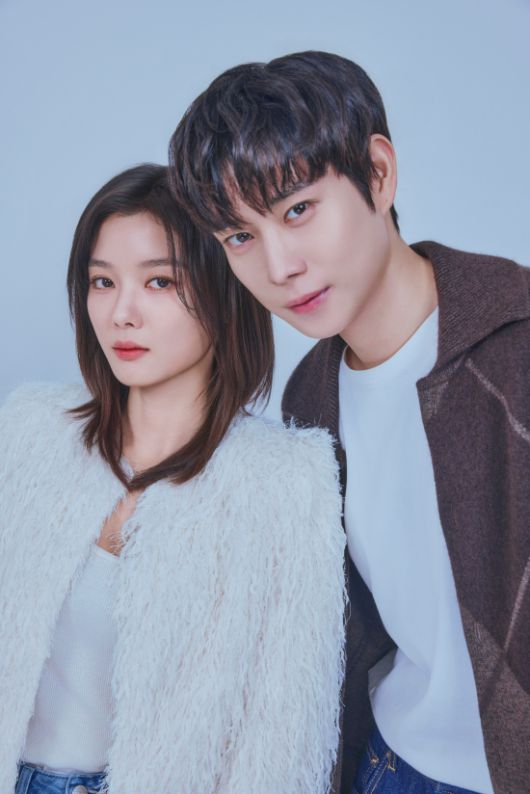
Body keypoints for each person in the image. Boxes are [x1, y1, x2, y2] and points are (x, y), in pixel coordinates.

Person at [168, 51, 530, 794]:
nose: (279, 266)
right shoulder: (310, 396)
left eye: (297, 210)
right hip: (391, 767)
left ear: (378, 174)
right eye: (240, 237)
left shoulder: (516, 347)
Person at [0, 164, 347, 794]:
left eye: (160, 281)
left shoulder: (284, 485)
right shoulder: (29, 435)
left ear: (224, 291)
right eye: (102, 281)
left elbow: (280, 742)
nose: (121, 313)